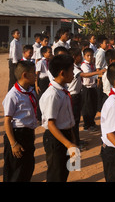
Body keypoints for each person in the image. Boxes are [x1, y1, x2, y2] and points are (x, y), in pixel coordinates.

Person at [39, 54, 78, 182]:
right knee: (56, 174)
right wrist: (69, 144)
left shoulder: (63, 90)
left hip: (64, 135)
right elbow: (51, 124)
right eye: (72, 70)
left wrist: (72, 138)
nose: (74, 73)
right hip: (55, 138)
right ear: (62, 73)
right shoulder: (53, 95)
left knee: (63, 172)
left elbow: (67, 119)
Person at [2, 61, 39, 182]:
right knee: (15, 171)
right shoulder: (13, 95)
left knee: (27, 168)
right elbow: (7, 121)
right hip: (16, 136)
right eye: (33, 73)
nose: (36, 75)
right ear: (25, 75)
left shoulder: (30, 91)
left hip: (27, 135)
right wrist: (13, 143)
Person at [80, 48, 105, 132]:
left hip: (92, 87)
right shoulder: (84, 65)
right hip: (87, 88)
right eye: (88, 55)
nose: (90, 57)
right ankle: (87, 125)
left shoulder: (92, 64)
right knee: (88, 107)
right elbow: (88, 75)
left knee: (93, 106)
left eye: (91, 55)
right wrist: (99, 74)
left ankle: (91, 122)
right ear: (84, 56)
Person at [35, 46, 52, 122]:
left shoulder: (50, 61)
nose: (51, 53)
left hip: (49, 80)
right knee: (41, 99)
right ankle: (39, 117)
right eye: (49, 52)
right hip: (42, 81)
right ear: (44, 53)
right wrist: (36, 85)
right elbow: (37, 74)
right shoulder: (40, 62)